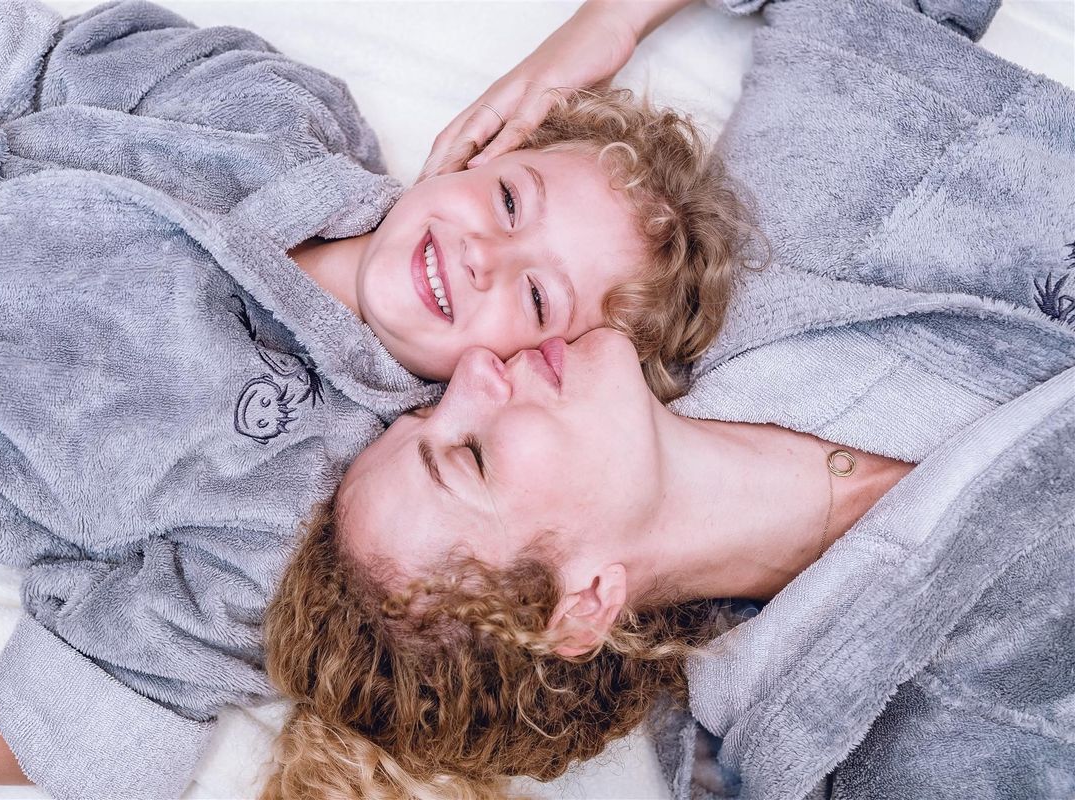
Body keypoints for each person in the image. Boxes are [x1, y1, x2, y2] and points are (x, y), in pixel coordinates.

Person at [0, 1, 756, 797]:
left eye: (535, 298)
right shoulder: (276, 113)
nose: (485, 253)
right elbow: (16, 66)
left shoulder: (301, 513)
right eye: (509, 200)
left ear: (531, 374)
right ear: (480, 152)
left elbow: (76, 730)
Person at [263, 0, 1075, 797]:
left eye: (427, 408)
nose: (476, 373)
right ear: (583, 606)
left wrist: (611, 20)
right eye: (470, 457)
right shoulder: (873, 752)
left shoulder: (777, 225)